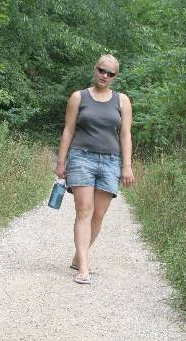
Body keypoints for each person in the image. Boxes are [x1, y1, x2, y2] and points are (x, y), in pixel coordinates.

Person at [55, 54, 135, 284]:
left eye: (111, 73)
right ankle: (84, 267)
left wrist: (127, 166)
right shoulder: (78, 97)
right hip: (82, 159)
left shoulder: (122, 101)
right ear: (95, 69)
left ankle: (77, 257)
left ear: (115, 77)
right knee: (84, 211)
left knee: (98, 215)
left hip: (111, 162)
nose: (105, 76)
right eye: (102, 70)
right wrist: (61, 162)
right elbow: (68, 130)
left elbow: (126, 134)